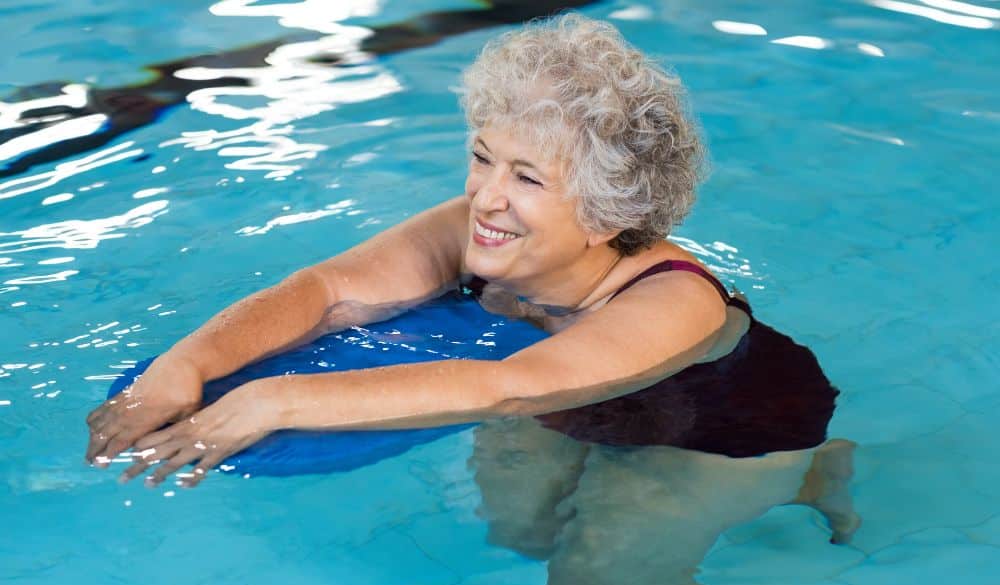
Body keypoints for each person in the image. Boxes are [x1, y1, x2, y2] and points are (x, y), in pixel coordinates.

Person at [86, 14, 840, 496]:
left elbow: (512, 386)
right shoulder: (481, 228)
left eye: (527, 177)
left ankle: (808, 475)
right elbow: (327, 291)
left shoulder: (673, 300)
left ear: (610, 211)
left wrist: (274, 398)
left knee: (602, 579)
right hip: (570, 407)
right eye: (484, 158)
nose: (486, 197)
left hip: (721, 430)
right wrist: (187, 363)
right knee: (517, 534)